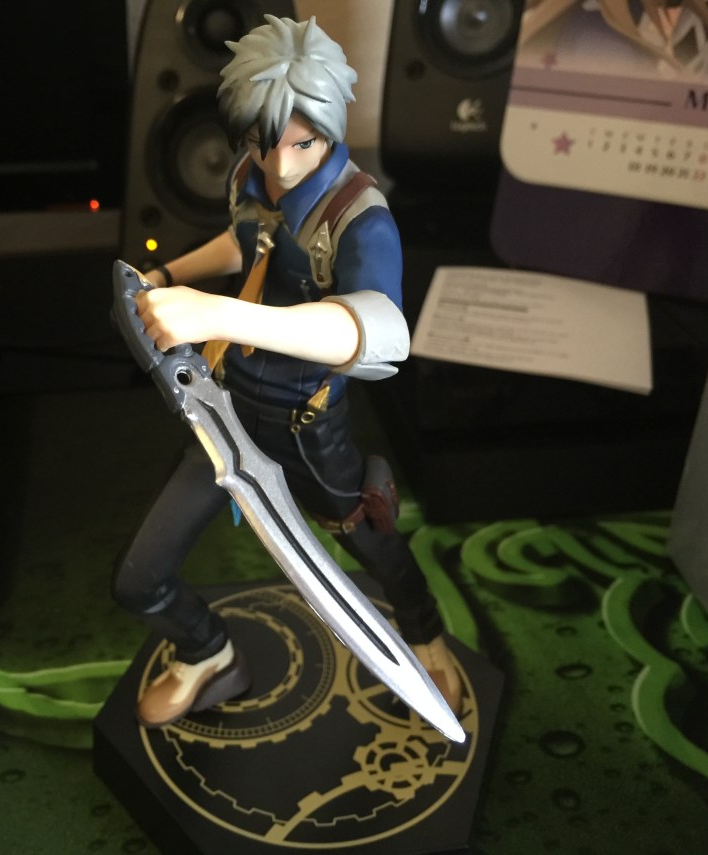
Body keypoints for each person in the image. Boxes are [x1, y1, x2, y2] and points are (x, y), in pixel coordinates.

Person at [112, 15, 461, 728]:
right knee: (139, 578)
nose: (280, 165)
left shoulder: (360, 217)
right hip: (224, 411)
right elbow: (246, 242)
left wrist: (217, 314)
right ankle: (208, 654)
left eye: (301, 143)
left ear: (330, 125)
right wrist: (169, 275)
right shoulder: (253, 174)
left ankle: (425, 632)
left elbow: (381, 334)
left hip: (307, 425)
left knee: (372, 538)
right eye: (261, 141)